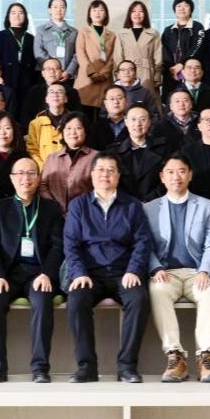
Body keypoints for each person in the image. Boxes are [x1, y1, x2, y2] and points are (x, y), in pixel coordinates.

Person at [64, 152, 155, 383]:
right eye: (101, 169)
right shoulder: (79, 205)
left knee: (139, 299)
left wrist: (134, 270)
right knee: (76, 300)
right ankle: (86, 367)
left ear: (118, 175)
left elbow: (143, 242)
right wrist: (79, 273)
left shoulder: (132, 206)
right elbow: (71, 244)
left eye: (111, 170)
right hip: (90, 274)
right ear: (92, 174)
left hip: (123, 273)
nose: (105, 174)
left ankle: (127, 366)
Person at [0, 156, 66, 383]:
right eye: (20, 173)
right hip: (7, 275)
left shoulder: (51, 209)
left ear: (39, 178)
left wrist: (47, 274)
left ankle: (40, 368)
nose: (25, 178)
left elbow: (59, 246)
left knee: (42, 300)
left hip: (39, 274)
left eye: (31, 173)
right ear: (12, 178)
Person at [143, 154, 210, 383]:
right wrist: (155, 268)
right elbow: (145, 245)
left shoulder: (206, 206)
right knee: (157, 290)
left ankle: (206, 357)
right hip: (166, 273)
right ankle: (175, 356)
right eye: (170, 172)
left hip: (197, 272)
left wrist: (205, 270)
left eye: (181, 171)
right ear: (162, 177)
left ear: (190, 175)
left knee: (209, 291)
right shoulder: (149, 208)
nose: (175, 176)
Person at [40, 110, 97, 211]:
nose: (73, 132)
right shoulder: (52, 158)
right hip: (55, 214)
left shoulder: (96, 157)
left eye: (78, 128)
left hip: (85, 212)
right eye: (68, 128)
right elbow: (42, 185)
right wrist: (54, 206)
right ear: (62, 132)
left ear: (85, 131)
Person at [114, 104, 171, 202]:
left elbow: (168, 179)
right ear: (126, 122)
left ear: (149, 122)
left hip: (156, 203)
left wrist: (148, 201)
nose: (138, 124)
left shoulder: (163, 149)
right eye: (133, 119)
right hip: (125, 205)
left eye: (142, 119)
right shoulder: (114, 152)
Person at [112, 0, 163, 97]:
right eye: (134, 11)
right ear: (129, 14)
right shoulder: (121, 34)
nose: (137, 14)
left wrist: (157, 77)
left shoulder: (154, 34)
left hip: (148, 74)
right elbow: (118, 58)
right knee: (127, 101)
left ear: (145, 14)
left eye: (141, 11)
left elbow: (158, 57)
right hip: (127, 74)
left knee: (147, 101)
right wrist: (118, 77)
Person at [75, 0, 117, 115]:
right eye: (94, 10)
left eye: (101, 10)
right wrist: (92, 72)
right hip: (87, 78)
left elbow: (113, 57)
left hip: (105, 79)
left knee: (103, 114)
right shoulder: (83, 32)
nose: (98, 13)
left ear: (106, 14)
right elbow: (80, 53)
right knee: (85, 114)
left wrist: (104, 73)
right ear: (89, 14)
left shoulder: (112, 35)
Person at [161, 0, 206, 101]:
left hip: (191, 72)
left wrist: (182, 64)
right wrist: (172, 68)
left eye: (186, 5)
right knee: (171, 101)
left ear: (191, 9)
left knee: (191, 100)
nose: (182, 8)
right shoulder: (168, 30)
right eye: (179, 6)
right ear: (174, 9)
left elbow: (197, 47)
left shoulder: (197, 27)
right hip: (172, 73)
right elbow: (164, 50)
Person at [0, 2, 37, 103]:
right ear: (8, 17)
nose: (17, 15)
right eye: (13, 13)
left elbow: (34, 61)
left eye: (20, 13)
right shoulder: (0, 36)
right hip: (6, 78)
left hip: (27, 81)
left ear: (25, 17)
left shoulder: (31, 38)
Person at [18, 57, 81, 126]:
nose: (52, 71)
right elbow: (26, 114)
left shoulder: (72, 92)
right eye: (48, 69)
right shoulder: (34, 91)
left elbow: (78, 116)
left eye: (56, 68)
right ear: (42, 73)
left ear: (61, 72)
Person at [34, 0, 78, 84]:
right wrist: (52, 69)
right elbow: (38, 51)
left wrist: (68, 72)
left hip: (66, 75)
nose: (58, 10)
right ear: (49, 10)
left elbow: (77, 54)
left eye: (62, 7)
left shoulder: (74, 32)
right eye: (55, 7)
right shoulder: (41, 30)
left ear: (65, 10)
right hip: (47, 75)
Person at [27, 83, 69, 168]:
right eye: (52, 92)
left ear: (66, 99)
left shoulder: (73, 122)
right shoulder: (35, 123)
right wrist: (44, 169)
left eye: (60, 92)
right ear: (46, 99)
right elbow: (32, 150)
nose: (55, 95)